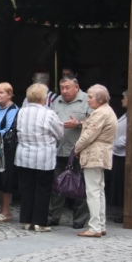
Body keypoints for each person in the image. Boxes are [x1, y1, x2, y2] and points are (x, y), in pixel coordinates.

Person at [15, 84, 64, 232]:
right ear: (44, 97)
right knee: (43, 189)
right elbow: (59, 133)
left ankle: (27, 220)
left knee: (27, 188)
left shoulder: (22, 112)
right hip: (43, 156)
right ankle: (40, 222)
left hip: (24, 154)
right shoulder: (49, 114)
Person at [48, 76, 92, 228]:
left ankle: (80, 220)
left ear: (77, 87)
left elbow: (95, 122)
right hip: (59, 149)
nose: (64, 91)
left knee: (79, 186)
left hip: (78, 151)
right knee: (57, 186)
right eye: (62, 88)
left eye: (67, 88)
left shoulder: (87, 100)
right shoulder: (57, 101)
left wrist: (79, 123)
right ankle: (53, 216)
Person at [75, 85, 118, 238]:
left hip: (95, 154)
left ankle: (94, 227)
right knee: (99, 190)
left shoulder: (100, 113)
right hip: (102, 153)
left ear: (100, 98)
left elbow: (89, 135)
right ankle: (100, 224)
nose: (88, 100)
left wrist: (76, 148)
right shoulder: (108, 111)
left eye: (91, 97)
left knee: (92, 191)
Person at [0, 82, 19, 222]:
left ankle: (6, 211)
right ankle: (1, 210)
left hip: (7, 149)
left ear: (9, 94)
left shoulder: (13, 109)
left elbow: (9, 129)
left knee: (6, 179)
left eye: (1, 92)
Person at [108, 90, 128, 222]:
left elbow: (129, 136)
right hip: (118, 153)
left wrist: (115, 143)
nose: (122, 100)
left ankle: (125, 212)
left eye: (124, 98)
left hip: (123, 153)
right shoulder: (126, 114)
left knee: (123, 185)